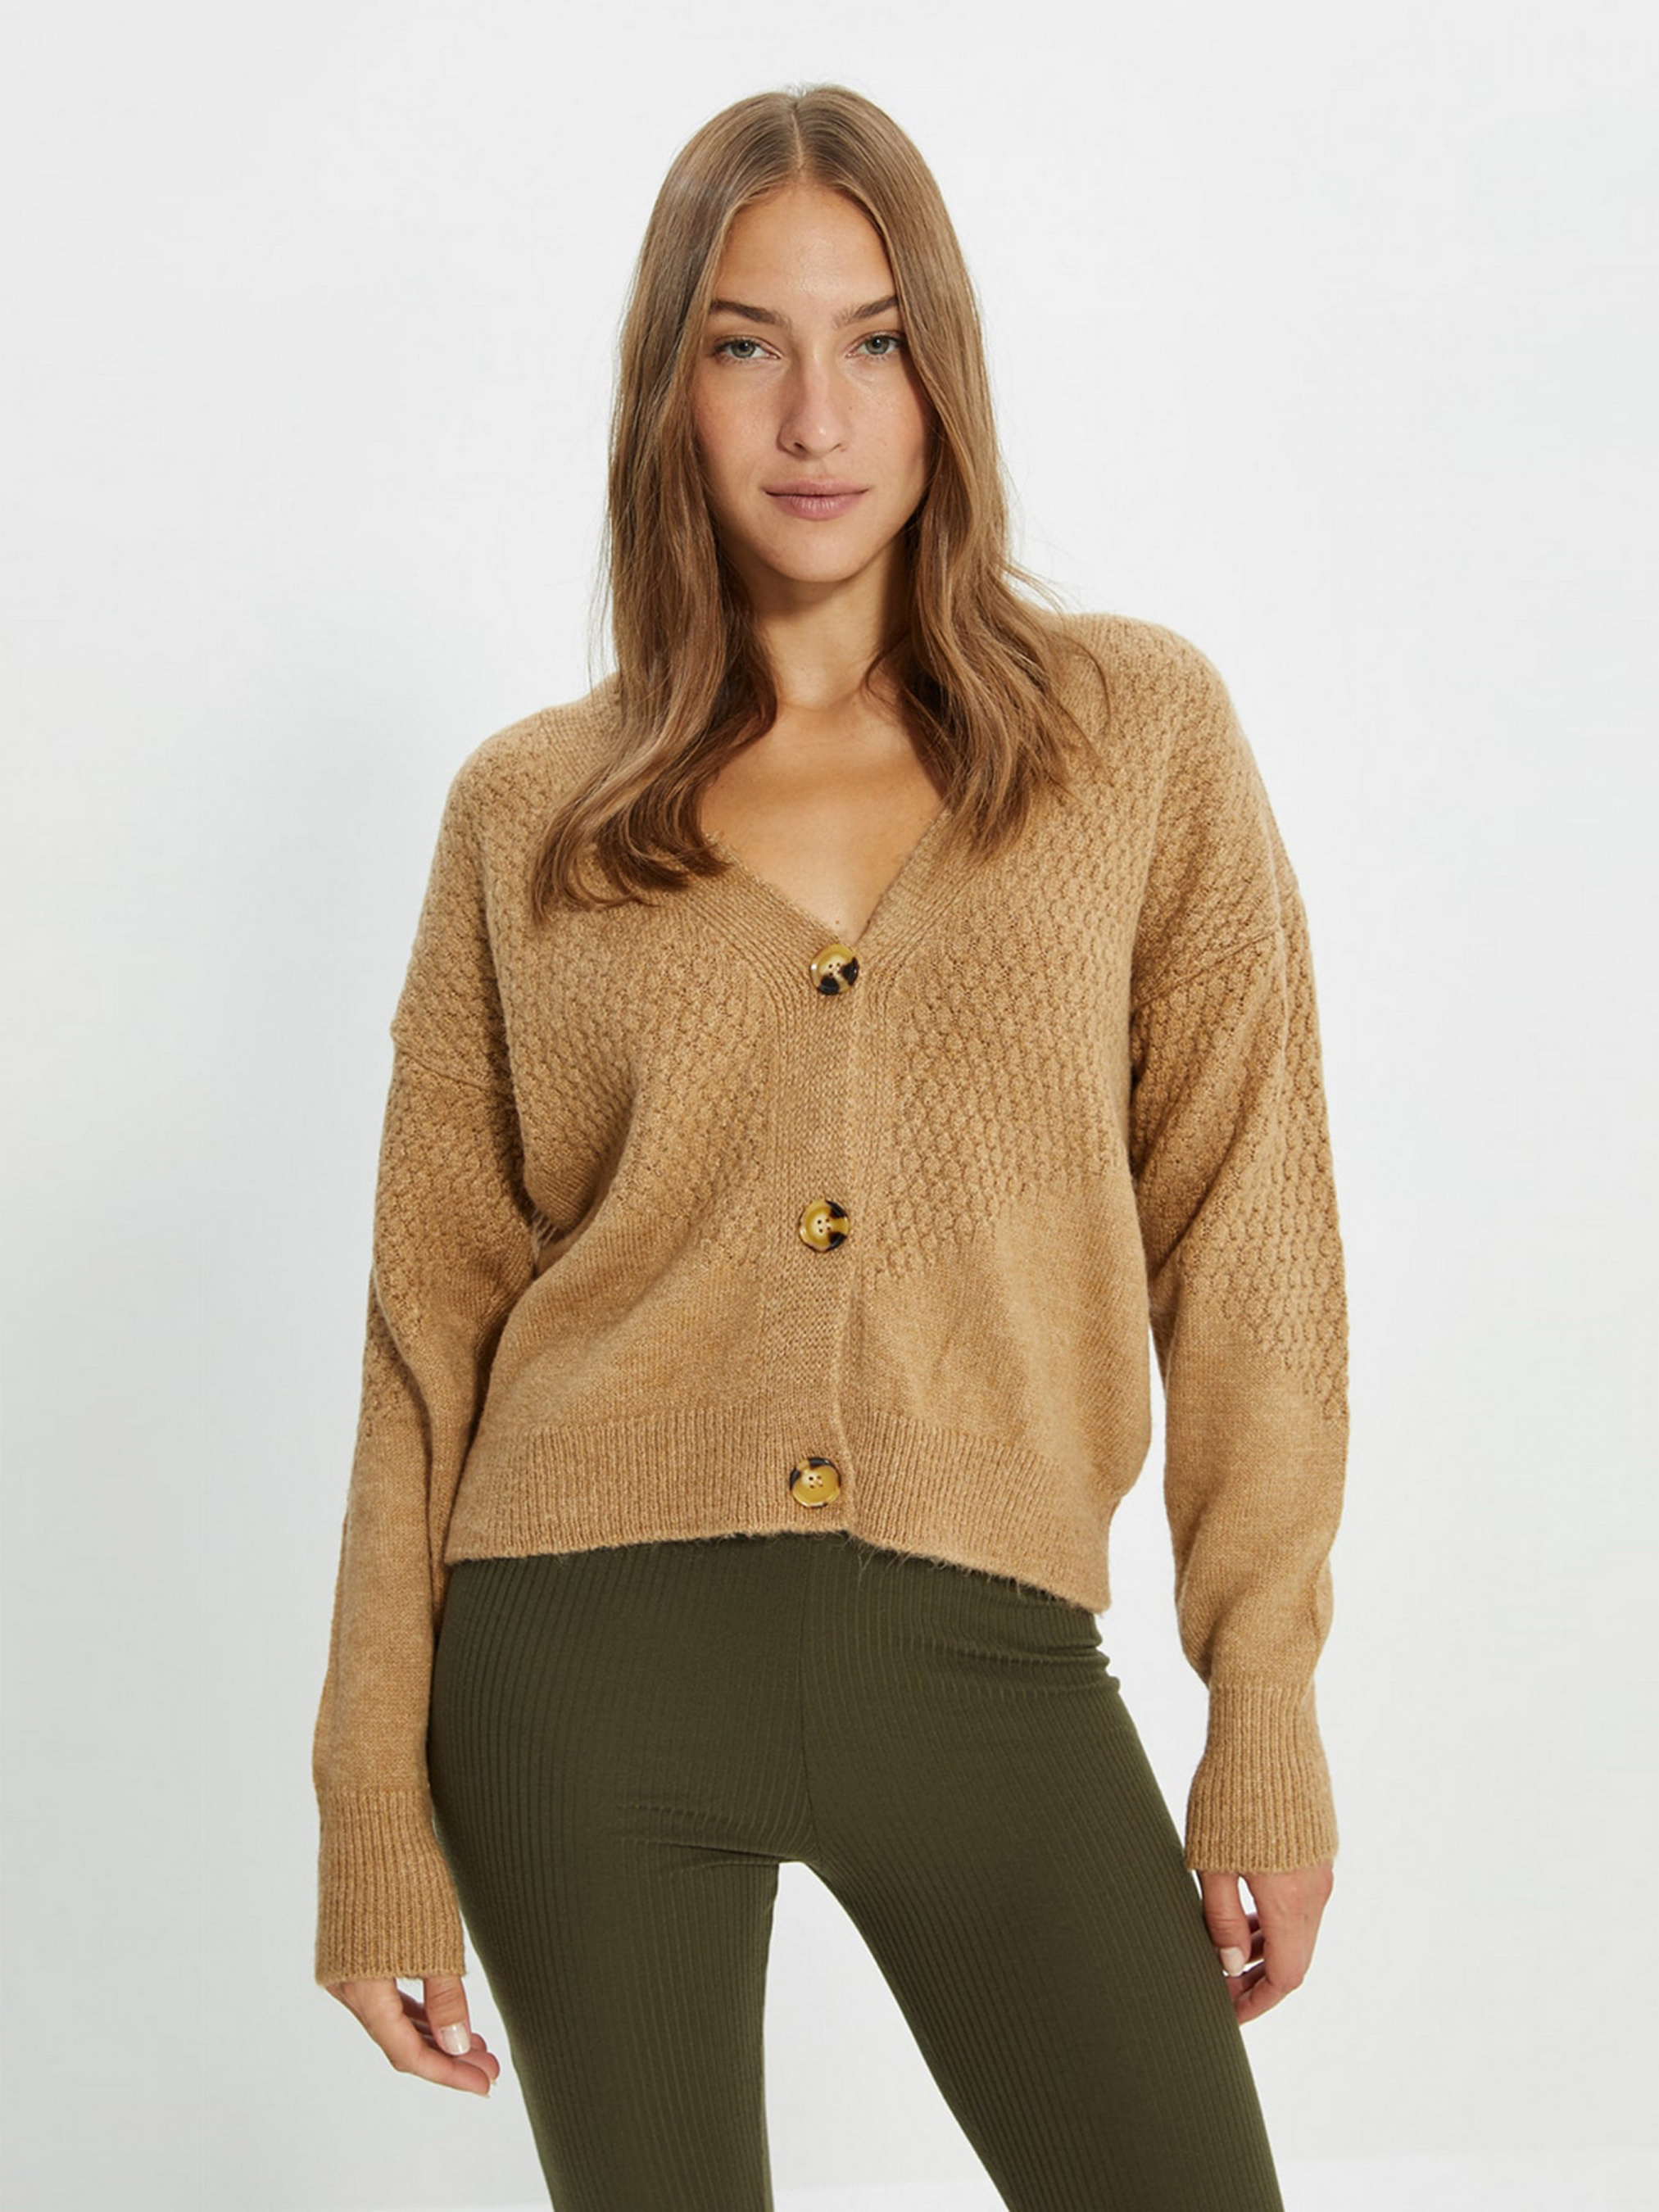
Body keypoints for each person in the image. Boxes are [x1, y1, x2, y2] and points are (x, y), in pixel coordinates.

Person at [311, 81, 1348, 2212]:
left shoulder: (1131, 735)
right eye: (745, 344)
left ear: (942, 373)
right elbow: (429, 1325)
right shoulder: (531, 811)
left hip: (983, 1659)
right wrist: (365, 1809)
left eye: (873, 341)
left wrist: (1262, 1703)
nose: (815, 416)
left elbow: (1246, 1227)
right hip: (573, 1669)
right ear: (667, 389)